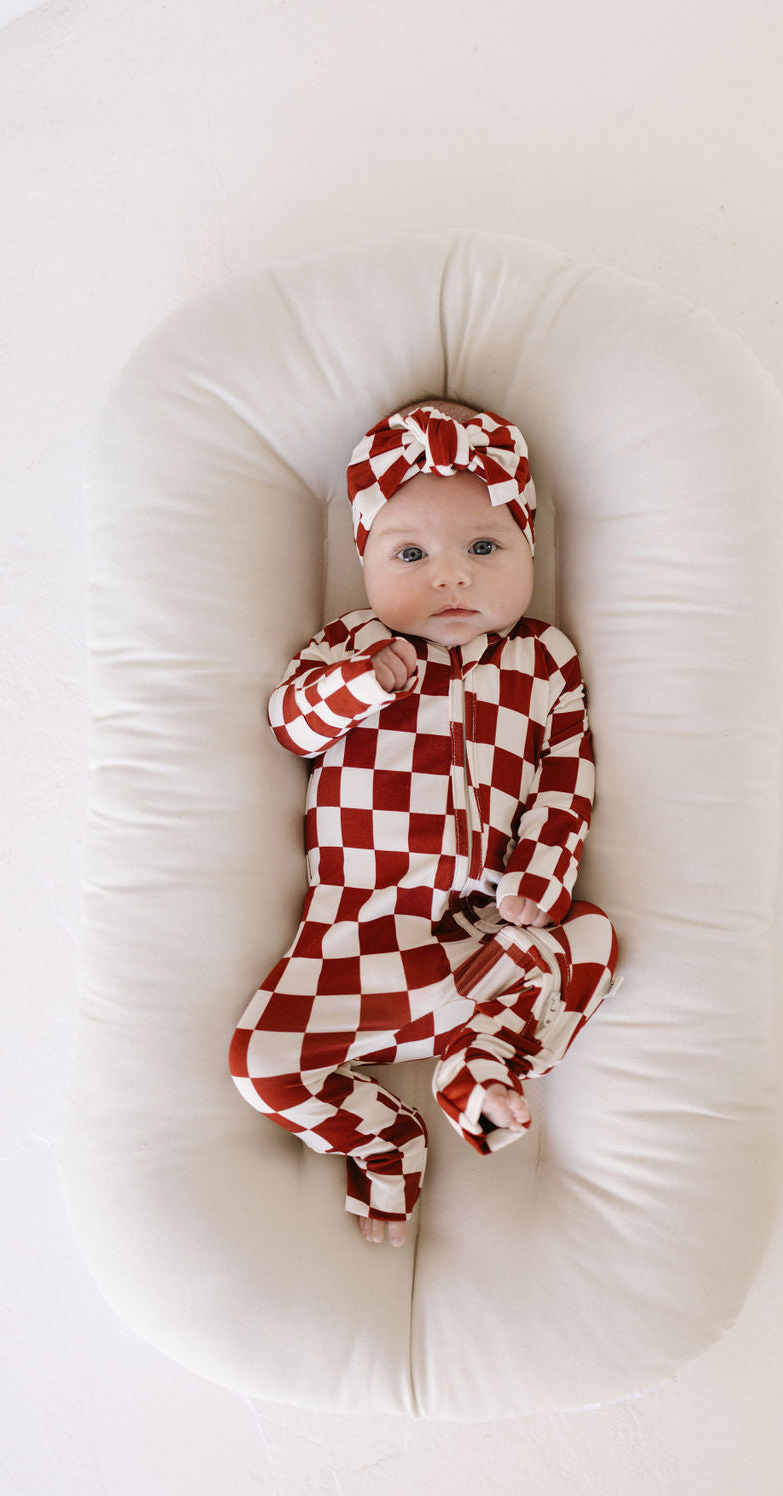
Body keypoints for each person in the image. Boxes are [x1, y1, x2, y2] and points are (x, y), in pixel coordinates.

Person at [229, 398, 618, 1246]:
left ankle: (481, 1081)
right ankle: (388, 1140)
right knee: (261, 1064)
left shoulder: (542, 658)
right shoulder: (351, 640)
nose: (452, 576)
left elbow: (566, 775)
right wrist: (365, 683)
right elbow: (290, 725)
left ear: (528, 548)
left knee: (592, 940)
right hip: (358, 928)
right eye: (412, 553)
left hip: (483, 929)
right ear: (366, 559)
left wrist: (541, 871)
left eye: (485, 547)